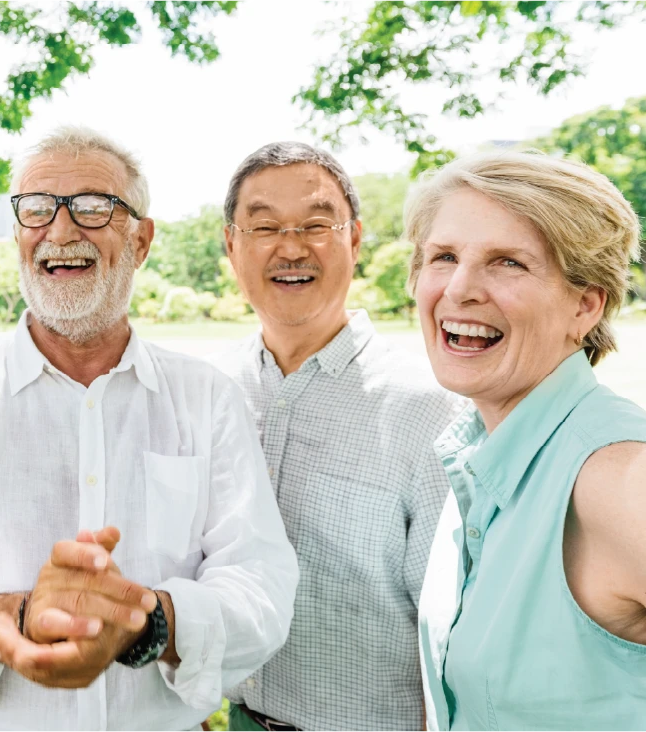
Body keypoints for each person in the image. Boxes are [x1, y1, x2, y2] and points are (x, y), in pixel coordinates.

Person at [0, 126, 299, 732]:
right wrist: (5, 623)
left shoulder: (206, 397)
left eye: (93, 207)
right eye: (37, 209)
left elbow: (260, 582)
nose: (60, 231)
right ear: (16, 234)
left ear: (140, 240)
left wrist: (148, 622)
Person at [409, 150, 646, 731]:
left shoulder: (623, 478)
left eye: (508, 263)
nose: (461, 289)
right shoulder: (479, 457)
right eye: (443, 257)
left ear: (585, 304)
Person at [214, 142, 464, 732]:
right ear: (232, 245)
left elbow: (451, 629)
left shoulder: (427, 406)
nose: (291, 246)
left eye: (316, 224)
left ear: (354, 239)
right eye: (265, 226)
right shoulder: (212, 392)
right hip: (241, 717)